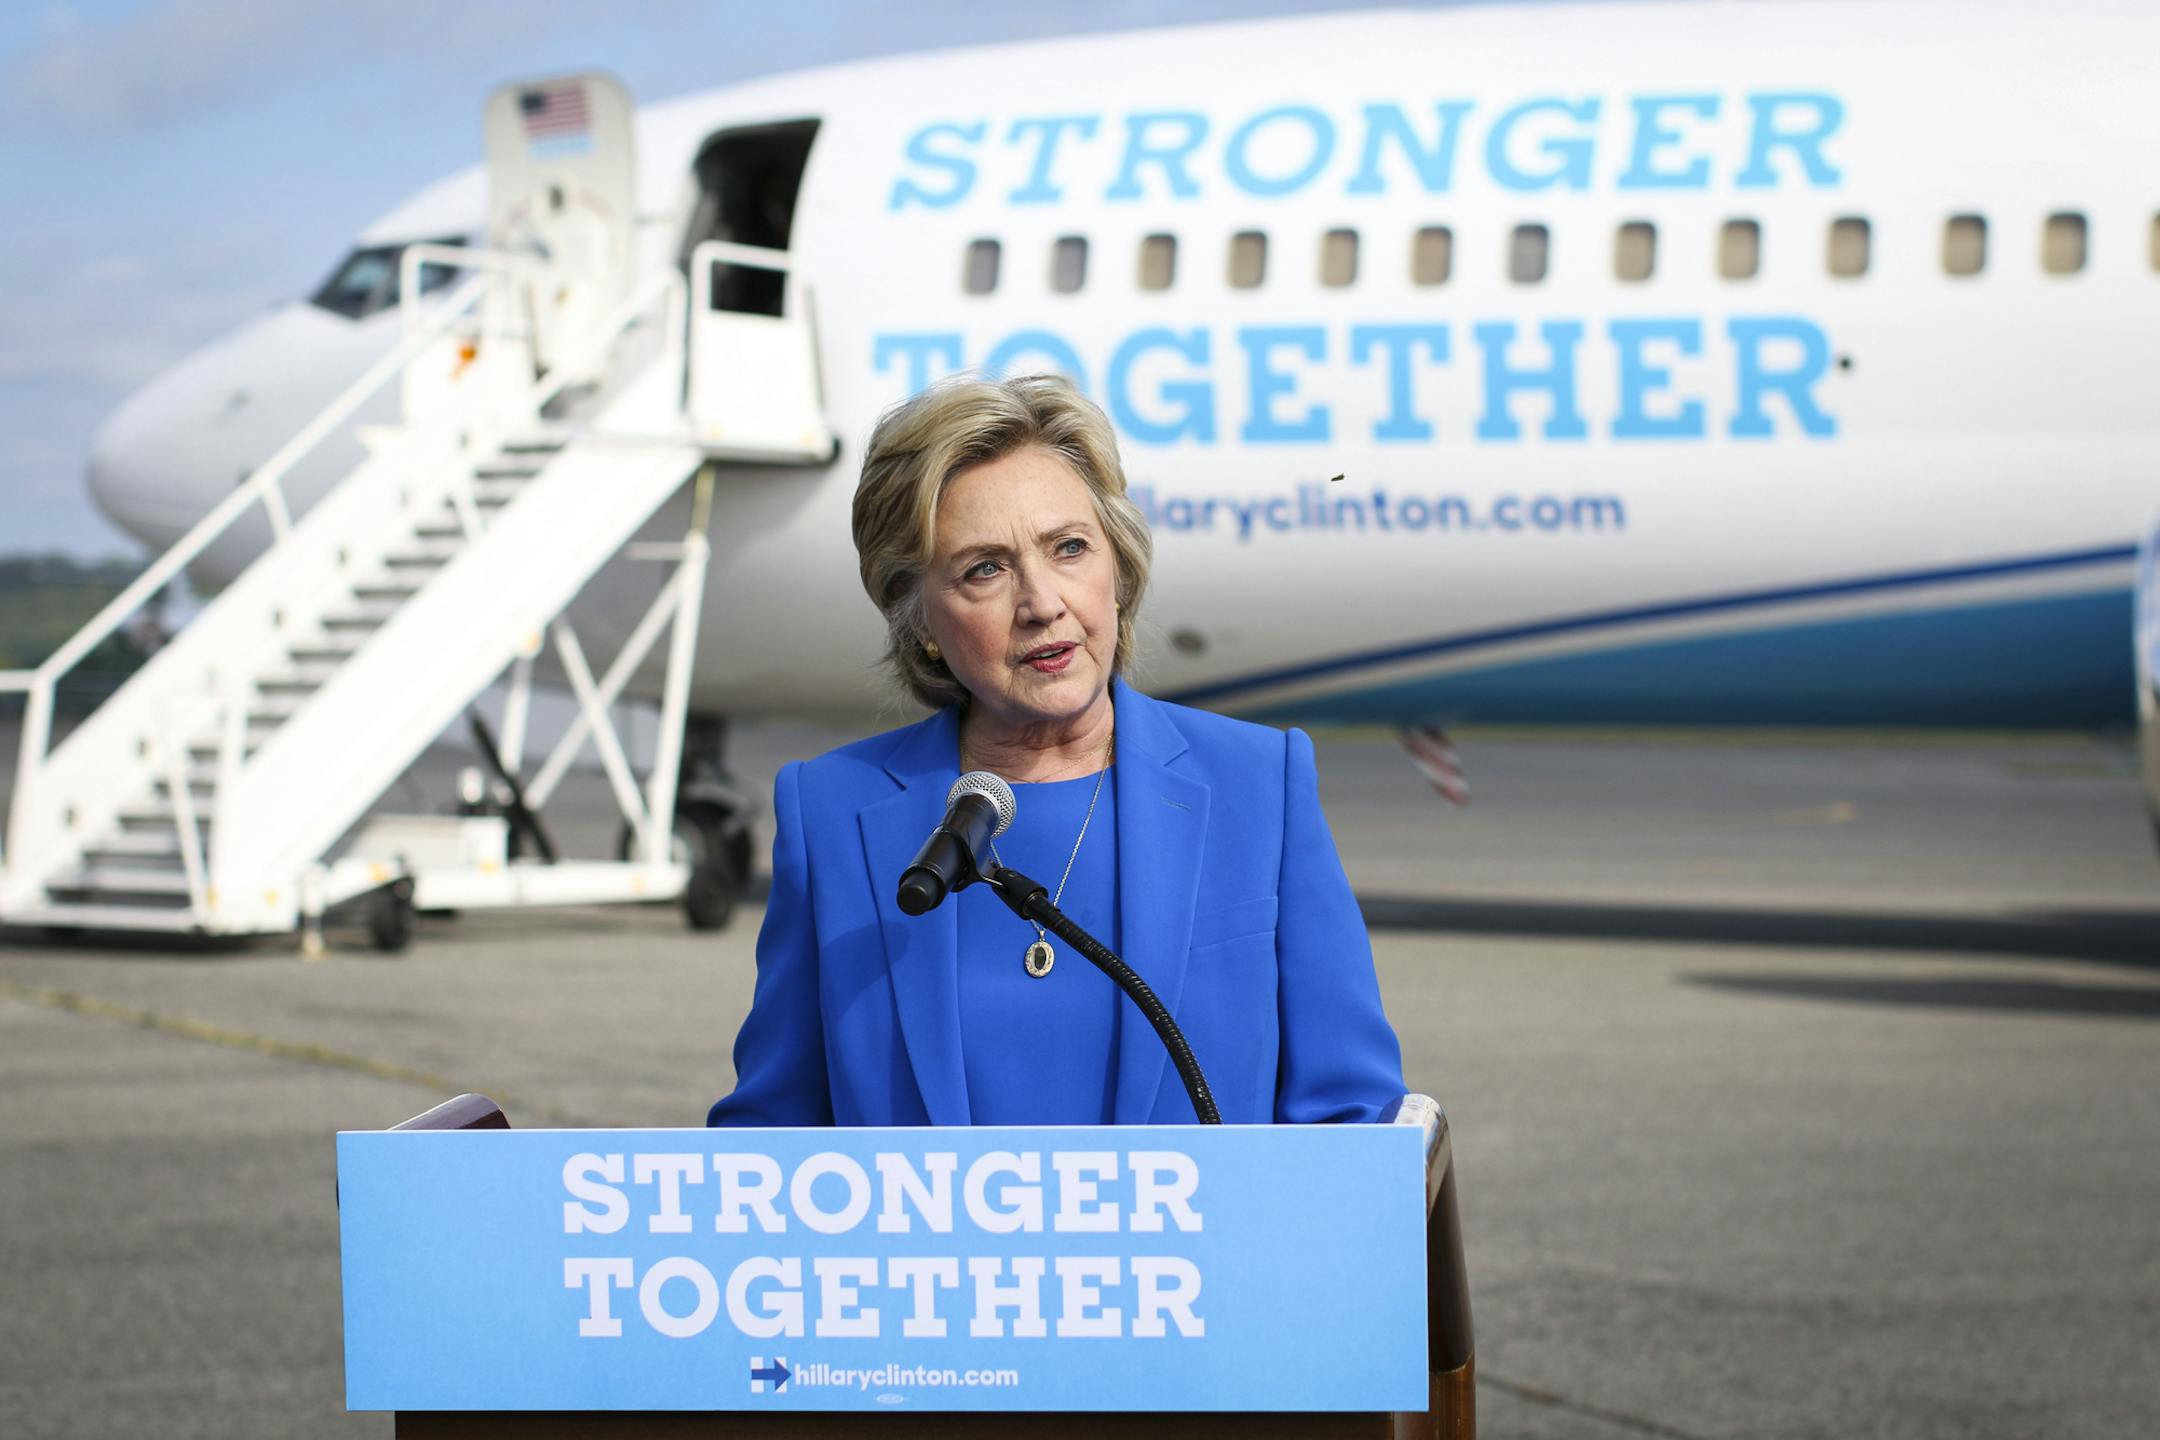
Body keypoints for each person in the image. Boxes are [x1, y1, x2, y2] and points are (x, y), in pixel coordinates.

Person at [706, 374, 1405, 1127]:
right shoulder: (831, 812)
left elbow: (1352, 1120)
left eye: (1068, 548)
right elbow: (769, 1147)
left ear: (1118, 567)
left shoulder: (1258, 785)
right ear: (920, 619)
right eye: (985, 569)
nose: (1042, 603)